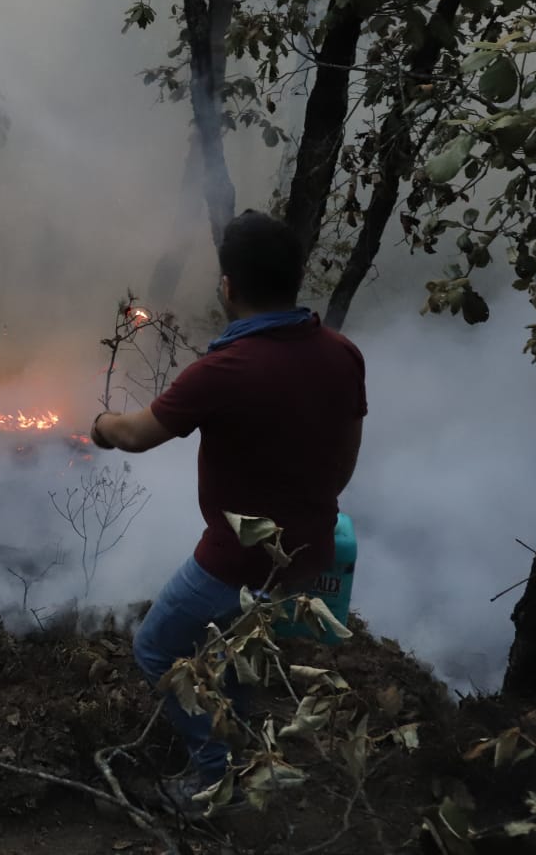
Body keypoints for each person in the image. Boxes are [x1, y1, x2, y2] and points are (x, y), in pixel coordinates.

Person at [89, 210, 366, 810]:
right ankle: (244, 758)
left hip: (236, 560)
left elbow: (137, 435)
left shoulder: (224, 370)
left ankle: (211, 776)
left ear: (228, 286)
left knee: (156, 648)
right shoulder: (342, 354)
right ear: (297, 278)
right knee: (236, 654)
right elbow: (347, 458)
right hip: (306, 550)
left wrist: (100, 426)